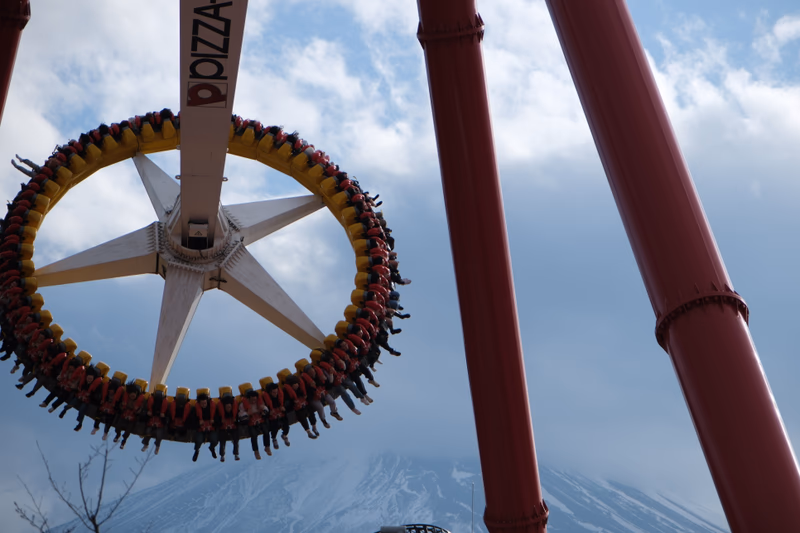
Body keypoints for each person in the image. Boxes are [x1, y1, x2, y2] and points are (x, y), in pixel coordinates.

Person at [282, 375, 318, 440]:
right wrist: (293, 402)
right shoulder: (286, 392)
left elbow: (308, 391)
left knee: (310, 411)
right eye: (295, 384)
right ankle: (308, 432)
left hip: (304, 404)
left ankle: (314, 427)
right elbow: (286, 403)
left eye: (297, 383)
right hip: (295, 408)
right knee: (301, 416)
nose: (297, 385)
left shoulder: (301, 388)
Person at [238, 389, 267, 460]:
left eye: (255, 399)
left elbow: (264, 407)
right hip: (251, 421)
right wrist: (247, 414)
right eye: (252, 399)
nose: (254, 401)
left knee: (266, 431)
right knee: (253, 435)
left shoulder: (259, 402)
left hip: (260, 418)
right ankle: (256, 451)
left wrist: (264, 411)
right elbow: (241, 414)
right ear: (248, 398)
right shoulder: (243, 405)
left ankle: (267, 446)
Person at [141, 387, 169, 454]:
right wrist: (148, 414)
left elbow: (167, 417)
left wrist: (163, 417)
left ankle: (157, 446)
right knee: (148, 431)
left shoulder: (165, 403)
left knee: (159, 434)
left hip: (160, 421)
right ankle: (146, 444)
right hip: (152, 419)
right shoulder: (151, 400)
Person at [191, 392, 218, 462]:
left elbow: (218, 418)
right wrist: (198, 423)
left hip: (211, 428)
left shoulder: (212, 407)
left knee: (215, 440)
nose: (203, 405)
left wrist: (213, 422)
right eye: (202, 403)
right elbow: (192, 420)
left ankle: (212, 448)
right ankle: (196, 451)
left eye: (205, 403)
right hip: (200, 428)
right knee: (199, 441)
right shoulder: (195, 409)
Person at [263, 382, 290, 450]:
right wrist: (269, 412)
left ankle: (284, 435)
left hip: (281, 413)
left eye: (276, 392)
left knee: (286, 424)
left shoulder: (280, 395)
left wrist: (284, 408)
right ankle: (274, 438)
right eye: (273, 392)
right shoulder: (265, 399)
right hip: (271, 416)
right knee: (274, 426)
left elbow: (288, 403)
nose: (275, 394)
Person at [215, 395, 240, 462]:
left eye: (230, 407)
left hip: (233, 428)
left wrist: (236, 421)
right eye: (227, 407)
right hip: (223, 429)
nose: (228, 408)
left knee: (236, 439)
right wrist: (221, 422)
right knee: (222, 440)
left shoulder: (235, 412)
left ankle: (236, 454)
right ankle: (222, 455)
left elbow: (239, 420)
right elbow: (216, 422)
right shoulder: (219, 413)